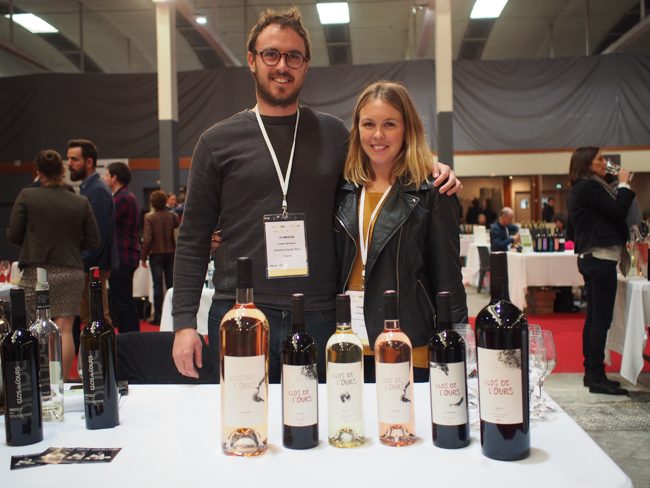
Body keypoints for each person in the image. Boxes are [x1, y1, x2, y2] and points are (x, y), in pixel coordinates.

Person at [171, 7, 461, 382]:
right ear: (252, 61)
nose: (282, 66)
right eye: (271, 54)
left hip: (320, 316)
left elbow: (383, 164)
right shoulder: (216, 142)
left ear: (306, 65)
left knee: (316, 431)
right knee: (242, 427)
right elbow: (192, 239)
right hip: (240, 312)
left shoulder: (335, 136)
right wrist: (183, 324)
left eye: (294, 56)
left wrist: (433, 168)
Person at [335, 81, 468, 382]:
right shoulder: (342, 189)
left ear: (407, 129)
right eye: (368, 124)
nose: (378, 135)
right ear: (357, 130)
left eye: (389, 124)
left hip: (410, 346)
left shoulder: (432, 192)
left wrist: (459, 348)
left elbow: (449, 278)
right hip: (350, 348)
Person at [7, 149, 100, 380]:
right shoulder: (80, 201)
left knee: (34, 327)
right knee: (65, 329)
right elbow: (93, 240)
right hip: (70, 270)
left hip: (36, 270)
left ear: (37, 172)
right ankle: (59, 382)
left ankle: (39, 382)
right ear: (62, 171)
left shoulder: (27, 196)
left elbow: (13, 234)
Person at [567, 146, 634, 395]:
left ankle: (591, 374)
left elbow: (571, 231)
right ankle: (596, 377)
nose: (605, 163)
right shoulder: (589, 187)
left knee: (594, 318)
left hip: (590, 257)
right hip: (601, 257)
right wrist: (624, 184)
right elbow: (618, 210)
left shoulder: (580, 188)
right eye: (600, 159)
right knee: (600, 320)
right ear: (587, 163)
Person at [67, 138, 115, 340]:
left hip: (93, 267)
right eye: (68, 158)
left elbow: (98, 237)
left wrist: (82, 264)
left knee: (98, 319)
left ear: (89, 162)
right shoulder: (89, 188)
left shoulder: (97, 190)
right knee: (91, 319)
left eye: (74, 159)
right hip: (90, 265)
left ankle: (106, 365)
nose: (69, 163)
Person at [103, 162, 141, 333]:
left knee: (124, 301)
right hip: (125, 255)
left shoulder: (123, 197)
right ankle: (129, 338)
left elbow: (106, 221)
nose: (104, 178)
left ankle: (131, 339)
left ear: (114, 177)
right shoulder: (125, 196)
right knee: (123, 300)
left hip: (123, 256)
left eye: (106, 175)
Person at [141, 190, 179, 325]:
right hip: (171, 253)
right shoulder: (172, 216)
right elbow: (177, 234)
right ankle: (175, 315)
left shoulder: (149, 217)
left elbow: (147, 239)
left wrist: (143, 257)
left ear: (152, 203)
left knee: (157, 285)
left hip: (155, 254)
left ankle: (158, 317)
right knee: (171, 285)